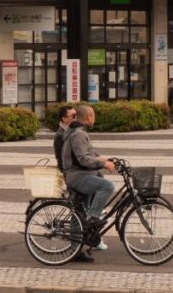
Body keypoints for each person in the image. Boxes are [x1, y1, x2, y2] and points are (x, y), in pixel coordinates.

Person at [61, 104, 115, 261]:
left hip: (81, 174)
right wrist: (102, 163)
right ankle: (94, 218)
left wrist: (105, 159)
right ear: (89, 117)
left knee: (78, 213)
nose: (95, 118)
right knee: (107, 186)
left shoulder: (79, 132)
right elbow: (83, 159)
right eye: (94, 115)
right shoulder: (78, 134)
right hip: (77, 176)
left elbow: (90, 153)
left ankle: (75, 249)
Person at [53, 104, 76, 172]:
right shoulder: (61, 135)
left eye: (76, 115)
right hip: (70, 171)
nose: (76, 118)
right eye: (73, 116)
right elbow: (61, 159)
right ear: (64, 118)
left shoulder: (72, 130)